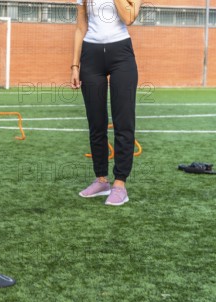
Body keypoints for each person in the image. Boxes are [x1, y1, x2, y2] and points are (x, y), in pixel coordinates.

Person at [71, 0, 141, 206]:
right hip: (90, 56)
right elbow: (80, 26)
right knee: (96, 122)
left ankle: (120, 184)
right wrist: (75, 65)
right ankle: (101, 180)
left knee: (124, 121)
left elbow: (129, 18)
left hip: (121, 54)